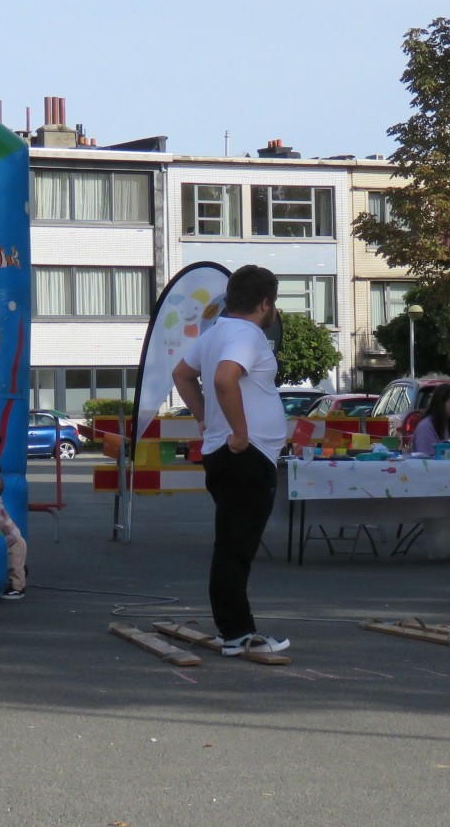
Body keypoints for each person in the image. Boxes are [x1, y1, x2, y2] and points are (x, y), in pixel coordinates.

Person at [171, 264, 290, 657]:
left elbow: (182, 374)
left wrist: (205, 417)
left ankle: (233, 630)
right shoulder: (247, 334)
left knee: (232, 544)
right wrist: (239, 432)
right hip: (246, 452)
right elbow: (224, 379)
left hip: (226, 452)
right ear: (265, 303)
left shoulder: (216, 332)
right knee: (236, 548)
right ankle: (237, 632)